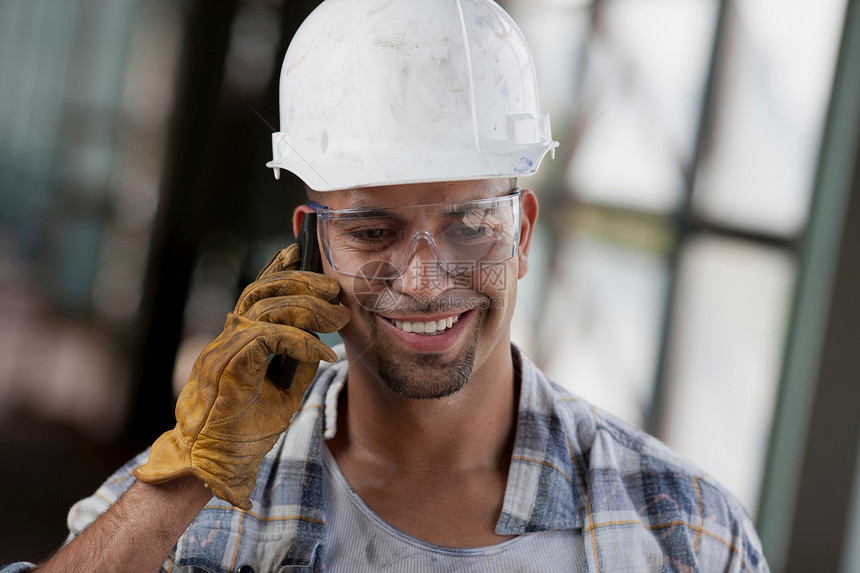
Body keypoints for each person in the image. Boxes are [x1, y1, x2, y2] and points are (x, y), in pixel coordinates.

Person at [2, 0, 769, 571]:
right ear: (311, 242)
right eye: (372, 230)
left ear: (524, 232)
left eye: (471, 223)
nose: (426, 277)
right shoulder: (193, 514)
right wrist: (180, 487)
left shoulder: (685, 533)